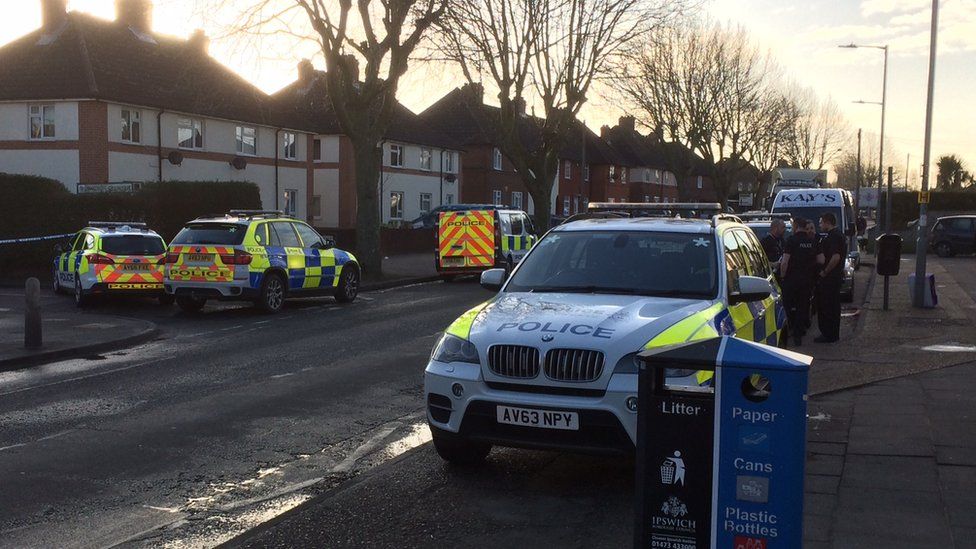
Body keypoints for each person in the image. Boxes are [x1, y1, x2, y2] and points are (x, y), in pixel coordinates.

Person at [780, 218, 823, 346]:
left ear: (796, 226)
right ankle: (798, 335)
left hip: (791, 280)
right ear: (805, 227)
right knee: (802, 307)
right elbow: (821, 260)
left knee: (787, 306)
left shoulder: (791, 240)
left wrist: (783, 277)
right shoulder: (812, 241)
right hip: (807, 280)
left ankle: (787, 331)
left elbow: (785, 262)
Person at [814, 213, 847, 343]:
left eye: (821, 222)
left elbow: (836, 257)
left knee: (828, 306)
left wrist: (825, 272)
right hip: (835, 277)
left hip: (831, 278)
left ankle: (829, 334)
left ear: (828, 222)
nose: (820, 225)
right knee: (832, 306)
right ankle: (832, 333)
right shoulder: (838, 235)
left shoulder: (834, 236)